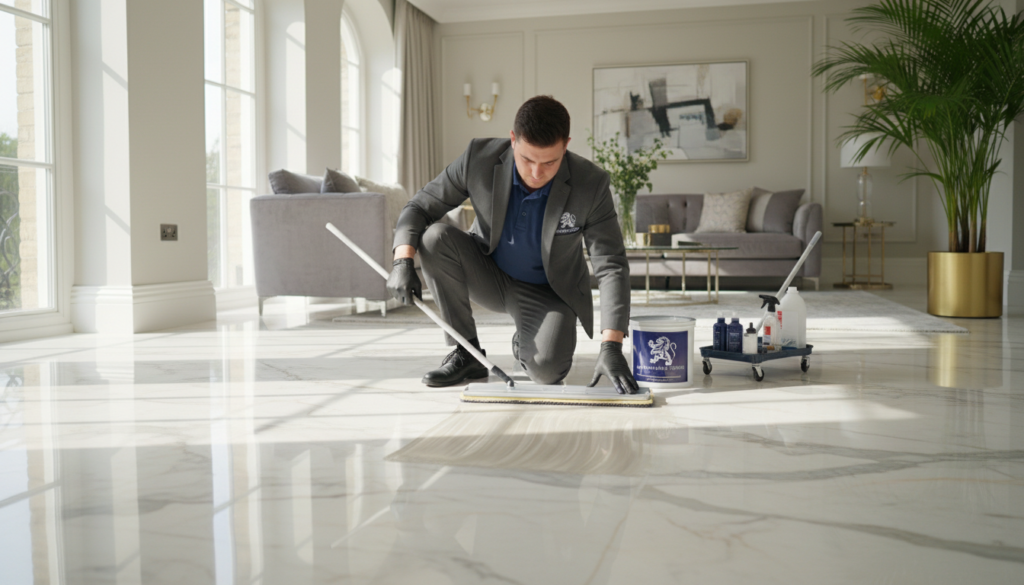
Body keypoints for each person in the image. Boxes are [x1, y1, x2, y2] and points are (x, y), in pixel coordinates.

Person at [386, 95, 639, 394]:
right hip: (487, 273)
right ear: (512, 140)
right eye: (527, 159)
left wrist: (612, 345)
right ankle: (467, 352)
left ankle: (527, 340)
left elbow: (610, 264)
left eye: (550, 162)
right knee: (433, 238)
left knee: (548, 372)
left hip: (549, 292)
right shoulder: (478, 158)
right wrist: (402, 260)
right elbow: (419, 207)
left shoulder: (591, 184)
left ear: (566, 145)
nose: (536, 173)